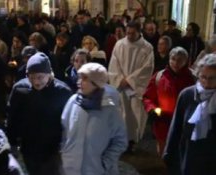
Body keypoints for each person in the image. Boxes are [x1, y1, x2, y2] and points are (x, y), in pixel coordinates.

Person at [7, 52, 72, 175]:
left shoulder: (63, 92)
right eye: (32, 77)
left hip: (53, 148)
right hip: (29, 146)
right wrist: (12, 142)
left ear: (49, 74)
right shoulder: (20, 89)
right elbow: (12, 117)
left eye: (40, 77)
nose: (36, 82)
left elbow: (69, 122)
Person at [61, 63, 127, 175]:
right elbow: (64, 130)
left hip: (96, 170)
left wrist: (105, 163)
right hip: (71, 169)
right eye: (80, 78)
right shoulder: (73, 102)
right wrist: (64, 153)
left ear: (97, 84)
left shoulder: (109, 109)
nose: (79, 82)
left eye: (85, 79)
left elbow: (120, 141)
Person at [163, 53, 216, 175]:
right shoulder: (187, 95)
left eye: (212, 78)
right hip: (189, 155)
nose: (207, 83)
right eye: (203, 77)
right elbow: (176, 127)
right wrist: (169, 153)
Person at [108, 21, 154, 152]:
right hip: (121, 86)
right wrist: (119, 79)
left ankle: (132, 141)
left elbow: (147, 68)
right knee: (122, 113)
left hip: (135, 88)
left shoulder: (147, 47)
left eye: (132, 33)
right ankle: (121, 141)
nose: (129, 35)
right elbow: (114, 64)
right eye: (127, 32)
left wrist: (129, 80)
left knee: (134, 115)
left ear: (140, 32)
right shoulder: (119, 44)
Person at [143, 47, 195, 156]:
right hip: (163, 123)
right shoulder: (160, 76)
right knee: (164, 153)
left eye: (180, 60)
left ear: (186, 61)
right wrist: (152, 109)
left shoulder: (193, 78)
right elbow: (148, 96)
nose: (176, 63)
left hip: (185, 123)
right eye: (173, 59)